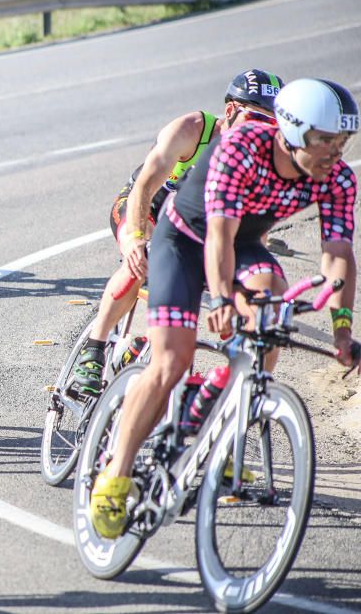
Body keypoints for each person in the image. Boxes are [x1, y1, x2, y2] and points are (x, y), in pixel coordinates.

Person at [89, 78, 360, 539]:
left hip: (243, 243)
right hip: (184, 240)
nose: (335, 153)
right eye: (325, 141)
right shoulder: (242, 149)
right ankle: (115, 473)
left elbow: (338, 253)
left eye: (343, 141)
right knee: (171, 360)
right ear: (292, 132)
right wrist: (219, 300)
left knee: (270, 304)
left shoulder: (337, 177)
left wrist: (340, 329)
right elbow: (216, 236)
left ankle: (220, 414)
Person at [69, 69, 284, 398]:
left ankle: (152, 357)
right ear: (230, 112)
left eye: (271, 126)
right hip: (147, 205)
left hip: (192, 222)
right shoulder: (192, 130)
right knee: (140, 261)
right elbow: (144, 185)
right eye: (255, 119)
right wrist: (137, 238)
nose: (261, 132)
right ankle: (93, 350)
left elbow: (252, 229)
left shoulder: (257, 156)